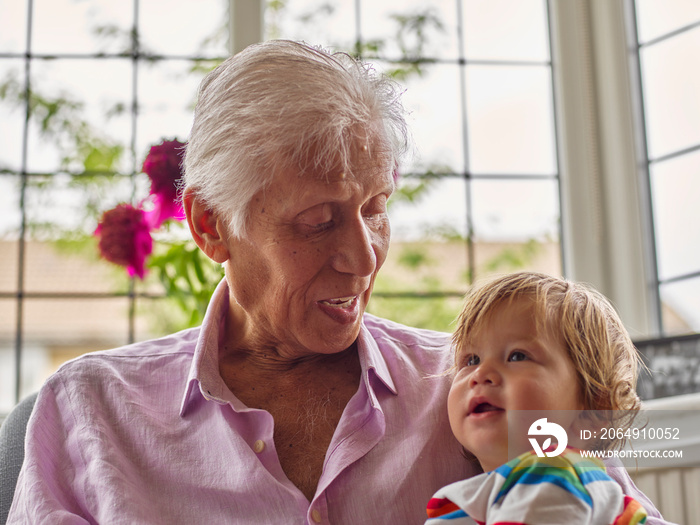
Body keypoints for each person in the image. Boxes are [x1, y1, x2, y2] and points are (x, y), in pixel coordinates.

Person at [7, 41, 668, 524]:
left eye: (376, 208)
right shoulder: (90, 407)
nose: (363, 256)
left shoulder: (485, 388)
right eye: (318, 221)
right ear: (210, 226)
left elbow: (612, 506)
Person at [426, 272, 651, 524]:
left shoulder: (554, 475)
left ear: (593, 408)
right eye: (472, 360)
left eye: (517, 356)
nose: (480, 374)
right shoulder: (483, 495)